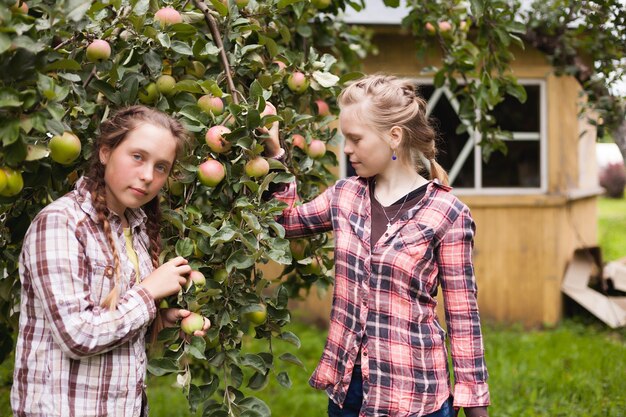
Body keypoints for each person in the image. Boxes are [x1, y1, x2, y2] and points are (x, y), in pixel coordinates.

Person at [263, 75, 490, 417]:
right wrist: (273, 150)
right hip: (348, 391)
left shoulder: (447, 213)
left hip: (415, 395)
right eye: (345, 139)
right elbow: (283, 223)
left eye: (355, 139)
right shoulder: (344, 196)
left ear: (393, 136)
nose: (347, 149)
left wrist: (474, 406)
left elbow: (463, 317)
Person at [11, 105, 210, 417]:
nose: (147, 176)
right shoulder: (62, 223)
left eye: (161, 167)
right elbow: (77, 335)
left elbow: (115, 318)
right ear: (105, 152)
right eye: (137, 157)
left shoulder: (135, 228)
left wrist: (162, 320)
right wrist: (148, 293)